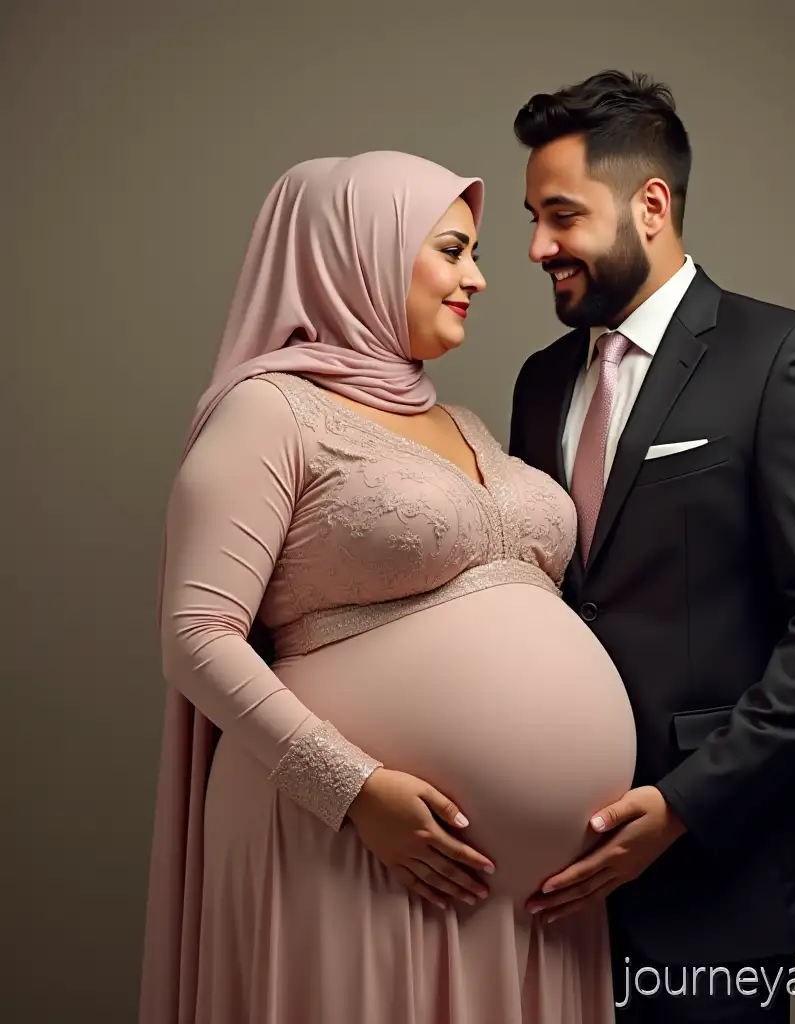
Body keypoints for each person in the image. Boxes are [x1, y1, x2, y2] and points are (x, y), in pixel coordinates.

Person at [138, 150, 637, 1024]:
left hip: (535, 908)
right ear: (359, 254)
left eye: (474, 253)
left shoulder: (464, 422)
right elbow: (197, 635)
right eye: (451, 251)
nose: (478, 277)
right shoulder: (269, 411)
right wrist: (353, 789)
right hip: (344, 847)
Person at [507, 71, 795, 1022]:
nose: (537, 247)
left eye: (561, 216)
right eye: (533, 219)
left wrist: (682, 804)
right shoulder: (539, 382)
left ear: (651, 205)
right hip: (548, 887)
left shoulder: (783, 358)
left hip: (719, 879)